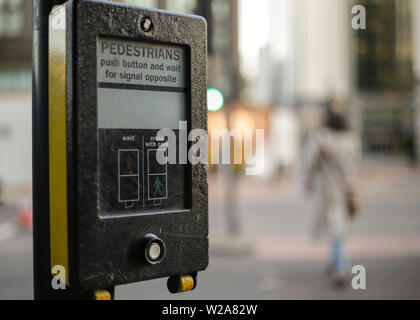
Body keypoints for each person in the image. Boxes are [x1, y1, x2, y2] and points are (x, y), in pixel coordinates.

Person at [304, 98, 360, 286]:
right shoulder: (351, 139)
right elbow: (355, 165)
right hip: (347, 189)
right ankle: (335, 261)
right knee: (339, 228)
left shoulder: (321, 138)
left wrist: (308, 180)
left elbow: (311, 162)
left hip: (330, 190)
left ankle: (341, 267)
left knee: (336, 229)